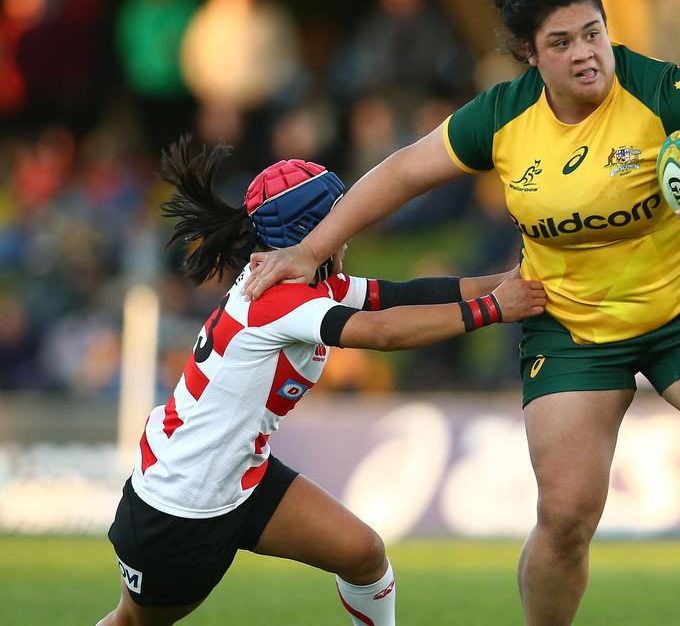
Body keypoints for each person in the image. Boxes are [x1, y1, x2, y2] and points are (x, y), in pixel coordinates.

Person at [240, 0, 680, 626]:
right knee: (566, 517)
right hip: (570, 327)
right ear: (530, 55)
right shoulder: (502, 115)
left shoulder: (657, 86)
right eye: (562, 43)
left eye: (593, 33)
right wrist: (310, 250)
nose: (585, 53)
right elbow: (404, 171)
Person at [98, 137, 546, 626]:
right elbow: (384, 333)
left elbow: (396, 297)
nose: (348, 230)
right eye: (339, 218)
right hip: (181, 505)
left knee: (363, 555)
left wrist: (506, 279)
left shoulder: (308, 281)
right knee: (133, 623)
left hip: (241, 478)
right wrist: (493, 310)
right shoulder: (281, 298)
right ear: (311, 231)